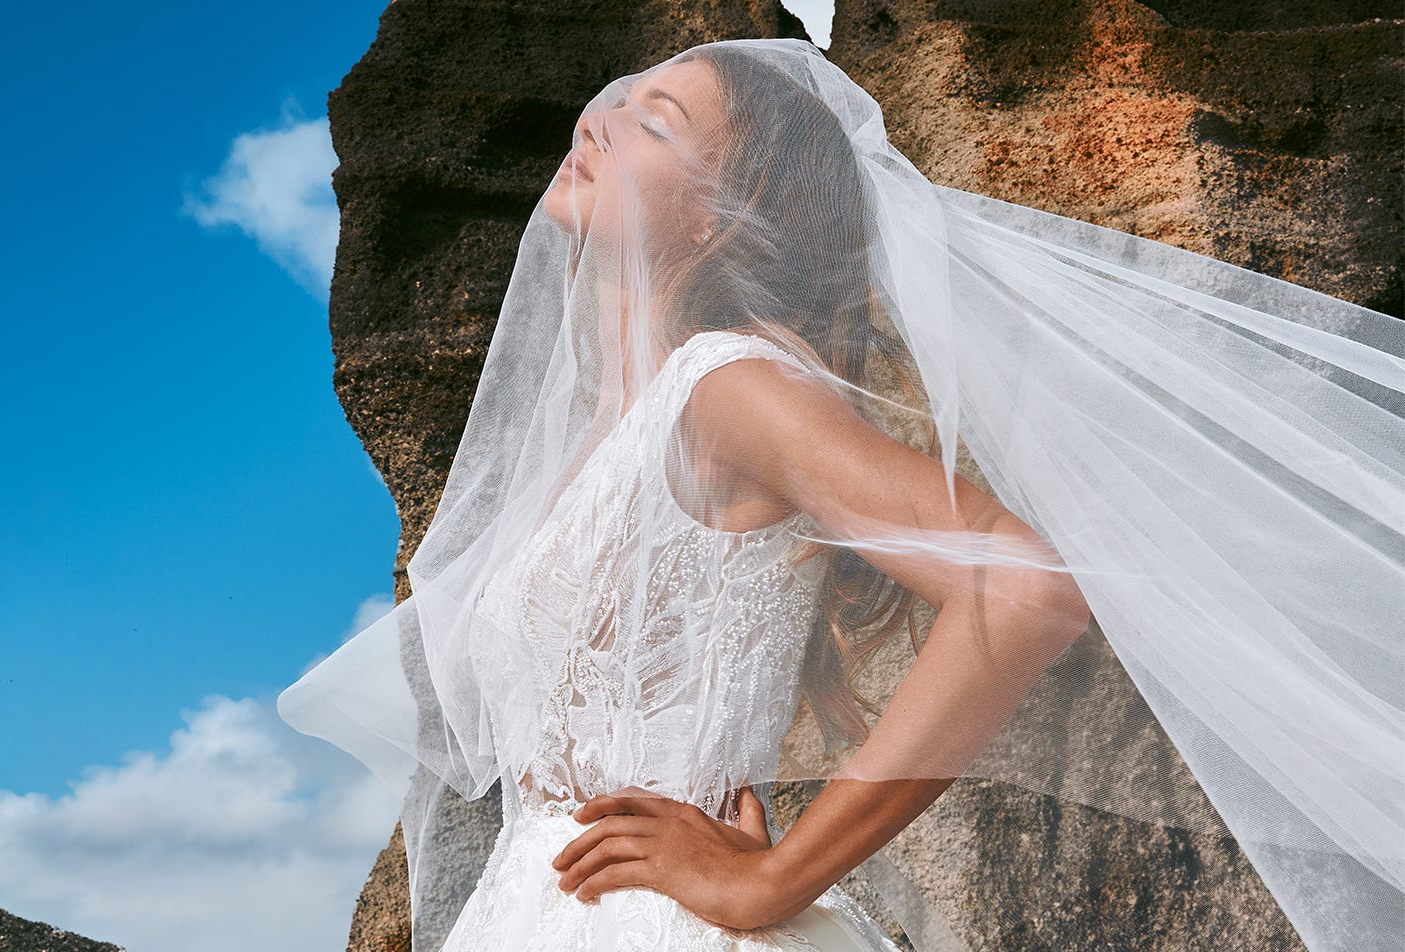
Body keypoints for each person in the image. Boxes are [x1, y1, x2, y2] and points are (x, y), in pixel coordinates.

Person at [278, 38, 1405, 952]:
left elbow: (1024, 590)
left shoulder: (725, 387)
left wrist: (775, 876)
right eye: (619, 98)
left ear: (722, 214)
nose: (596, 118)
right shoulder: (613, 429)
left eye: (654, 122)